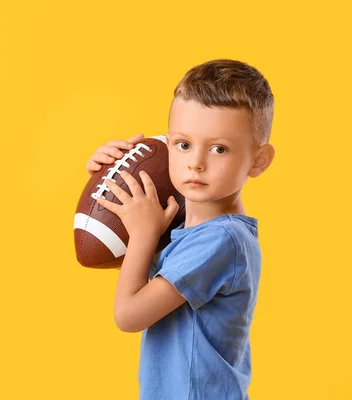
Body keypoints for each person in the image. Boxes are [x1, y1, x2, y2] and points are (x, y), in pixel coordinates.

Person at [85, 59, 276, 399]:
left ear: (258, 161)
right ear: (167, 141)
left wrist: (143, 233)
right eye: (183, 144)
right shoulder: (190, 229)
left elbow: (129, 315)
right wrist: (108, 194)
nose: (196, 162)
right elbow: (136, 266)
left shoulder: (222, 241)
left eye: (219, 149)